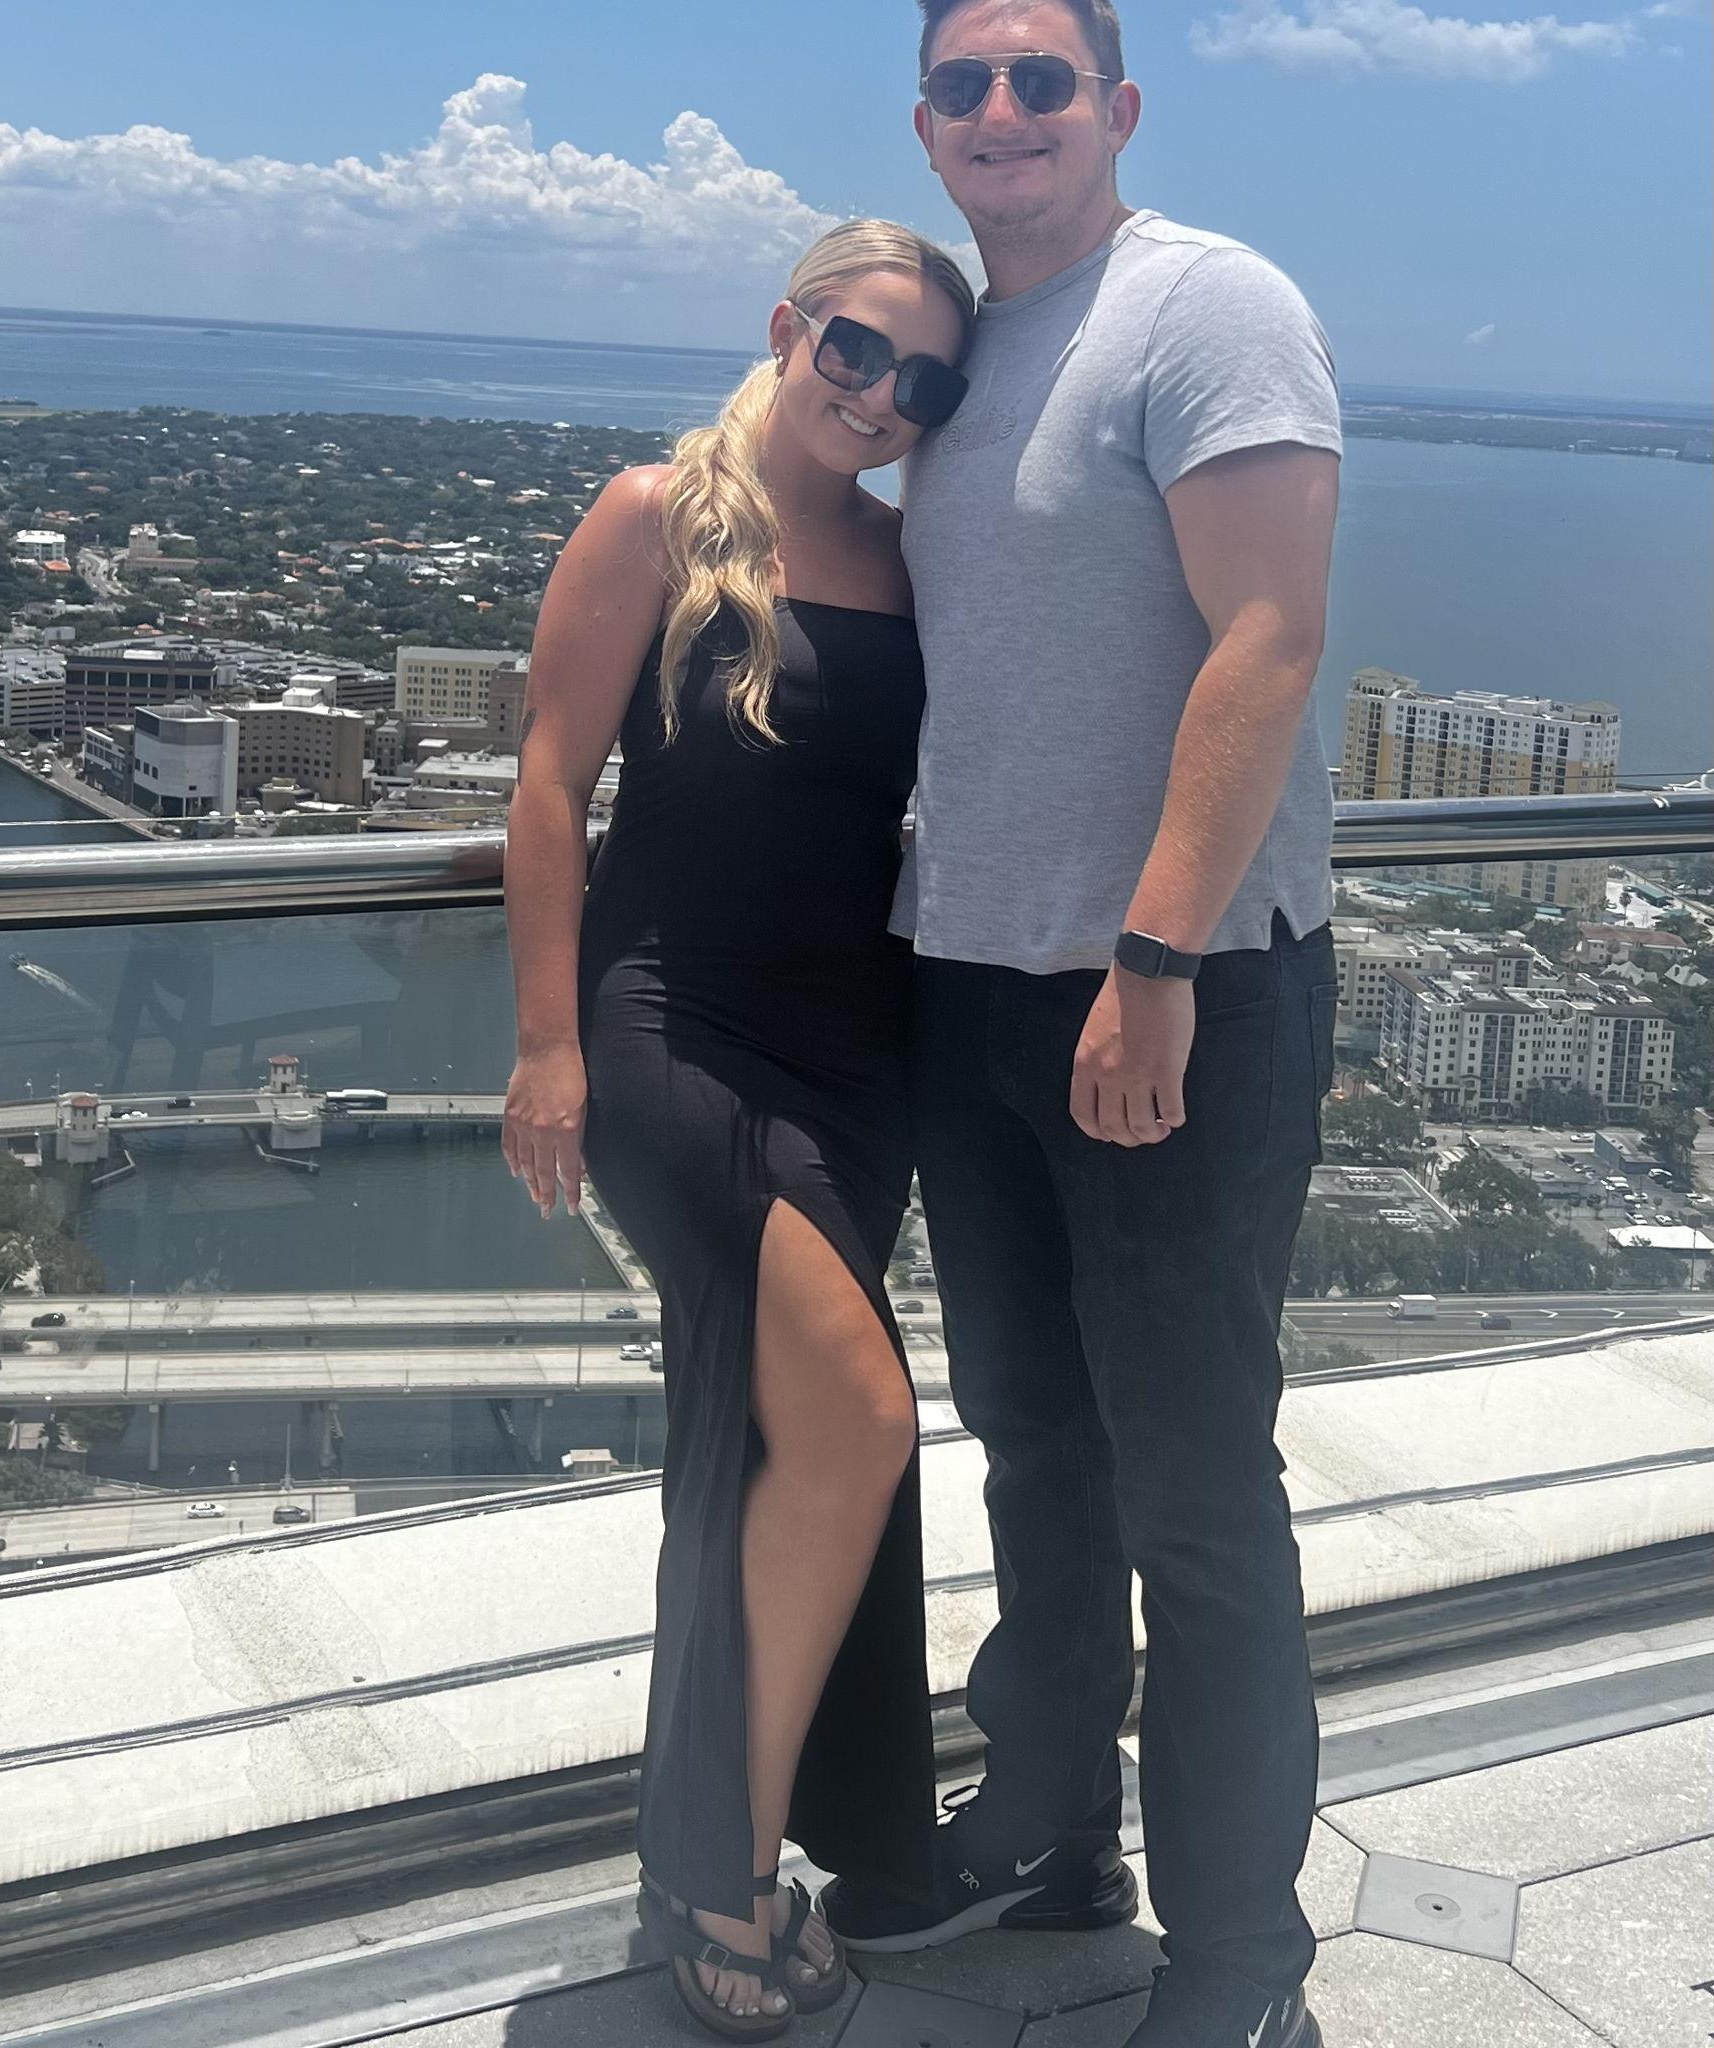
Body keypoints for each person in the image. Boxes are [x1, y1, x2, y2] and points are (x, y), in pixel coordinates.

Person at [820, 8, 1344, 2048]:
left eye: (1043, 77)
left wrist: (1152, 961)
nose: (1004, 110)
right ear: (925, 126)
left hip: (1168, 989)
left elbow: (1268, 637)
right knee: (1036, 1449)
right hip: (971, 985)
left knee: (1193, 1497)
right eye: (967, 83)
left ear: (1114, 110)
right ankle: (1051, 1837)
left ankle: (1241, 1964)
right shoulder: (958, 359)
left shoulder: (1206, 307)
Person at [502, 219, 976, 2038]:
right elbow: (551, 783)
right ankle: (725, 1868)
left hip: (860, 1057)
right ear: (789, 327)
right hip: (670, 1031)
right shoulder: (656, 518)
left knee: (777, 1441)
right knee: (858, 1417)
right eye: (855, 347)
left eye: (925, 380)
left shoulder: (917, 560)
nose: (881, 392)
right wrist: (548, 1043)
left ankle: (741, 1834)